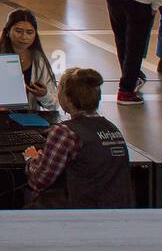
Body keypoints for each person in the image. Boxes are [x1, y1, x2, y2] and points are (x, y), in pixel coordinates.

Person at [22, 68, 134, 208]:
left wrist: (31, 159)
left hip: (78, 215)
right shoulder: (112, 129)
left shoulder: (65, 132)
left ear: (67, 98)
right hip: (115, 212)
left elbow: (39, 180)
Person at [0, 9, 57, 110]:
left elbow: (54, 105)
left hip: (26, 118)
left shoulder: (39, 60)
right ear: (8, 31)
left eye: (29, 32)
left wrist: (44, 95)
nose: (24, 37)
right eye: (18, 31)